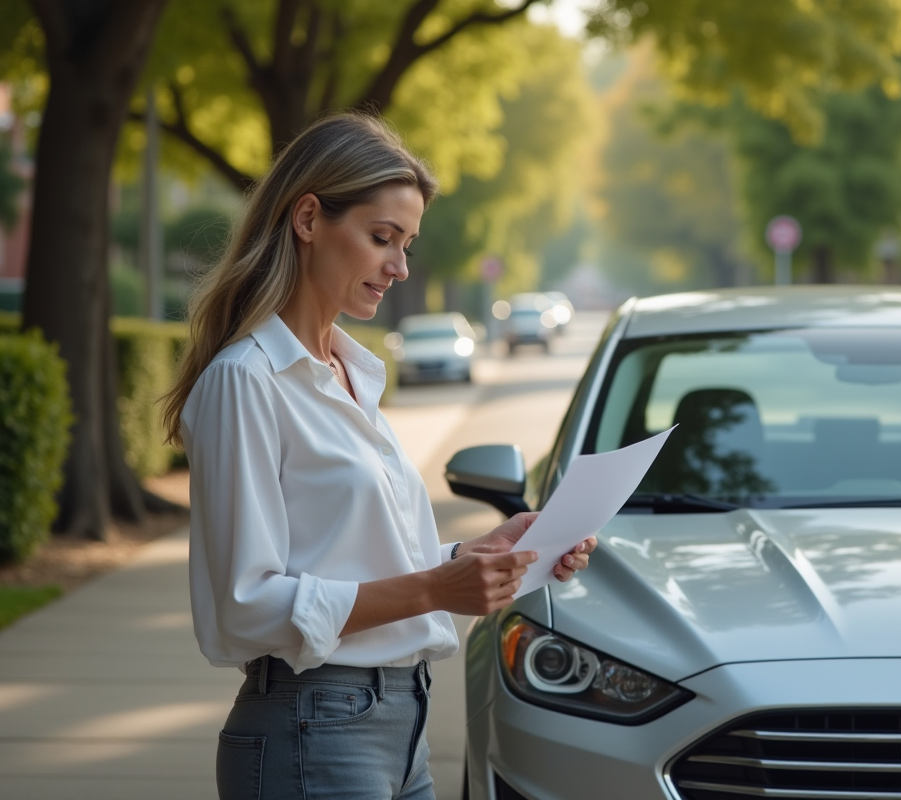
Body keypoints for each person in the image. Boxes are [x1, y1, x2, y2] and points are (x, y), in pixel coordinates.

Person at [161, 112, 597, 800]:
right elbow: (243, 605)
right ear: (308, 219)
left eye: (407, 246)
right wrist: (433, 591)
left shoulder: (351, 373)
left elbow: (346, 555)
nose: (398, 267)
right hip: (314, 727)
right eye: (381, 238)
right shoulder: (246, 381)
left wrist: (472, 559)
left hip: (402, 725)